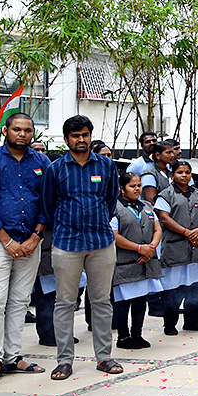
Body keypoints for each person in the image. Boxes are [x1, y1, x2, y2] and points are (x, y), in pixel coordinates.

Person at [40, 114, 122, 380]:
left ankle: (104, 357)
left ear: (90, 136)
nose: (81, 140)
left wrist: (96, 221)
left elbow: (110, 200)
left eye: (85, 135)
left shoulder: (107, 166)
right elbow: (48, 205)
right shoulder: (55, 169)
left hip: (101, 241)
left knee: (101, 301)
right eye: (75, 136)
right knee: (64, 302)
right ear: (66, 140)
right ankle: (64, 360)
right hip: (67, 243)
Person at [0, 112, 50, 383]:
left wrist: (36, 237)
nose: (22, 134)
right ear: (6, 130)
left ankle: (13, 356)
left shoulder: (42, 162)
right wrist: (6, 240)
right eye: (17, 129)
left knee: (19, 301)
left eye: (27, 130)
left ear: (33, 133)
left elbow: (47, 202)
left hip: (31, 243)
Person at [154, 160, 198, 334]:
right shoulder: (166, 195)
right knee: (173, 287)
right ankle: (170, 325)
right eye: (180, 172)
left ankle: (192, 321)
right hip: (175, 247)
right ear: (173, 175)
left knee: (196, 285)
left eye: (187, 172)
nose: (184, 175)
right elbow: (164, 218)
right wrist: (187, 232)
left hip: (197, 247)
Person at [110, 171, 162, 349]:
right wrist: (139, 248)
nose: (137, 189)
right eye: (132, 186)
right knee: (124, 301)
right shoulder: (115, 207)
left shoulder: (146, 206)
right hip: (125, 262)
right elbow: (114, 235)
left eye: (139, 185)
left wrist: (151, 247)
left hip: (146, 261)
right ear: (122, 188)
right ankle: (123, 337)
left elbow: (157, 229)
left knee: (140, 300)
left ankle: (137, 334)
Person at [140, 139, 179, 204]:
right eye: (168, 153)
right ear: (158, 155)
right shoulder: (149, 175)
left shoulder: (169, 172)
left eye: (172, 152)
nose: (172, 155)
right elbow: (151, 200)